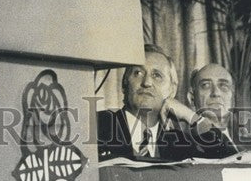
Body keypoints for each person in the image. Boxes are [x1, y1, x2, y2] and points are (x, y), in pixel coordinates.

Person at [97, 46, 237, 161]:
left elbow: (232, 162)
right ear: (124, 84)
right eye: (138, 73)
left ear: (172, 90)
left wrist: (193, 118)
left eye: (157, 75)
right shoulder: (96, 125)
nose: (147, 82)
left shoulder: (181, 143)